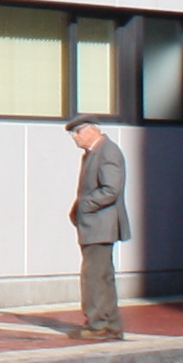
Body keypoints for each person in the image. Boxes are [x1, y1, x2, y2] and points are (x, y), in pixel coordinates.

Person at [66, 116, 130, 341]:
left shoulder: (107, 152)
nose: (74, 138)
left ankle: (98, 326)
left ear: (90, 131)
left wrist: (85, 206)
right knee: (102, 276)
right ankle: (110, 324)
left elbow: (111, 189)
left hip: (100, 225)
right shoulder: (95, 152)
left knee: (94, 276)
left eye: (76, 133)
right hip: (96, 224)